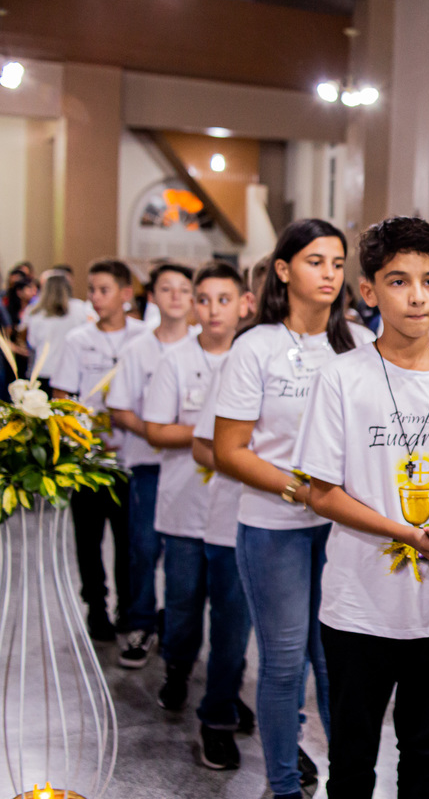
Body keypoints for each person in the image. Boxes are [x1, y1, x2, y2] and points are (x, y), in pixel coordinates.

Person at [294, 216, 429, 798]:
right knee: (351, 758)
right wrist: (407, 532)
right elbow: (322, 492)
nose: (416, 296)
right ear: (369, 292)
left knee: (425, 750)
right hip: (359, 607)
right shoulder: (342, 378)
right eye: (399, 281)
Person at [213, 219, 374, 799]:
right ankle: (283, 786)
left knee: (336, 663)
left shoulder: (359, 341)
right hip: (274, 524)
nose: (329, 274)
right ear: (283, 270)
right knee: (284, 664)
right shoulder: (255, 346)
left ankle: (349, 785)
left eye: (337, 263)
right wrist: (304, 492)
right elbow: (229, 451)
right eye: (314, 261)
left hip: (344, 529)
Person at [142, 262, 252, 768]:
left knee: (232, 618)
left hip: (234, 514)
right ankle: (178, 669)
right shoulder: (176, 360)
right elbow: (156, 430)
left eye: (223, 299)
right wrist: (222, 434)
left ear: (244, 304)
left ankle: (223, 701)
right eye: (203, 299)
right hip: (184, 507)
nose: (212, 310)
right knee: (184, 607)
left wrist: (223, 435)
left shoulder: (254, 357)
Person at [51, 259, 147, 640]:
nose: (95, 297)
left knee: (130, 541)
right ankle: (95, 605)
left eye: (104, 290)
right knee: (89, 540)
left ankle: (129, 606)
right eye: (91, 289)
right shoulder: (78, 340)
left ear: (125, 294)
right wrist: (82, 435)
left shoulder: (144, 337)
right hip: (89, 460)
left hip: (132, 456)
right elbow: (62, 397)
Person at [107, 261, 195, 668]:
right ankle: (141, 621)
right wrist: (159, 433)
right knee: (143, 547)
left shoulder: (204, 344)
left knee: (185, 557)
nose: (176, 296)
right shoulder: (137, 349)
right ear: (153, 296)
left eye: (184, 289)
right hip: (147, 464)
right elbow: (120, 409)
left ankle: (178, 632)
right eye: (166, 288)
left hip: (195, 469)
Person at [21, 273, 89, 384]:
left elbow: (32, 342)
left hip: (44, 368)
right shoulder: (80, 308)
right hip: (70, 370)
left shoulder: (34, 311)